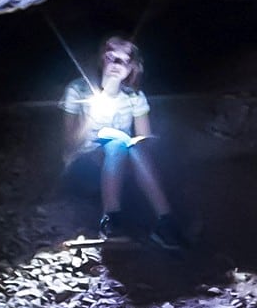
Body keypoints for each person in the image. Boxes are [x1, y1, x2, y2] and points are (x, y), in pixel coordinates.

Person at [62, 35, 187, 248]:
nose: (116, 65)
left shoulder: (134, 97)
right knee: (116, 141)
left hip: (121, 170)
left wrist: (138, 144)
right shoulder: (78, 91)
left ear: (132, 68)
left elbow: (144, 142)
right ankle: (110, 219)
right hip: (83, 169)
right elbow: (70, 143)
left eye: (124, 60)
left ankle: (166, 220)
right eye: (111, 57)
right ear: (102, 60)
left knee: (131, 143)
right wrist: (92, 114)